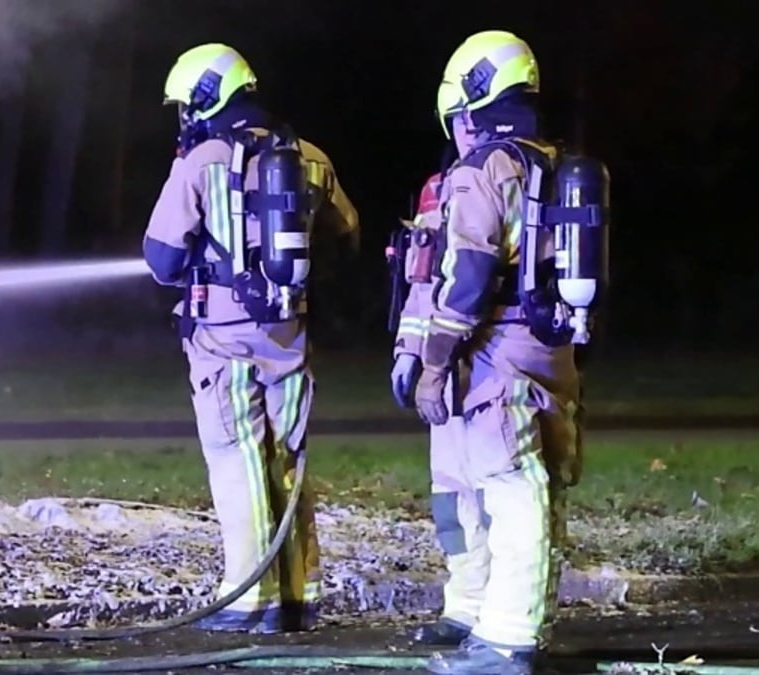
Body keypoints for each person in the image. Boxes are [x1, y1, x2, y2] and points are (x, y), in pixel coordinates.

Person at [142, 42, 359, 633]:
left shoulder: (203, 160)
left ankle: (247, 599)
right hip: (289, 331)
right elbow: (347, 235)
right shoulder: (309, 157)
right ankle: (298, 595)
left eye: (186, 107)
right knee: (286, 460)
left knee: (236, 458)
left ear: (206, 99)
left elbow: (161, 258)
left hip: (220, 337)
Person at [389, 30, 586, 674]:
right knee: (461, 484)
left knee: (508, 484)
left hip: (490, 351)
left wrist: (435, 362)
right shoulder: (550, 163)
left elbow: (467, 277)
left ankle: (507, 636)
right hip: (538, 346)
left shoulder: (481, 169)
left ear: (469, 101)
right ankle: (469, 608)